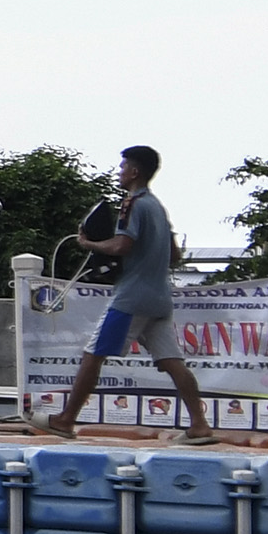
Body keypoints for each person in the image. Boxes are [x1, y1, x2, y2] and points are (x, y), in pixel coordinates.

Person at [41, 144, 216, 444]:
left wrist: (90, 245)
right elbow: (174, 254)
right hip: (159, 296)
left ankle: (66, 420)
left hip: (131, 297)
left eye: (123, 167)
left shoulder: (132, 204)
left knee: (92, 355)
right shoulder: (158, 207)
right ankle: (199, 424)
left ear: (134, 171)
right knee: (173, 362)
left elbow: (122, 246)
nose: (120, 172)